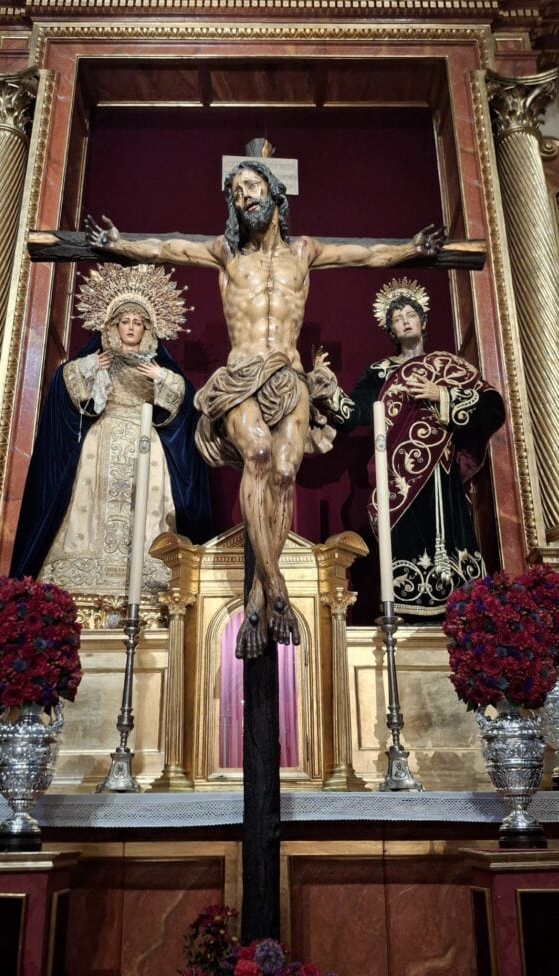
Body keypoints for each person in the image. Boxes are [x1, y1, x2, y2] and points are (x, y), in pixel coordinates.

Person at [85, 160, 445, 656]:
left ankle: (258, 594)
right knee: (255, 454)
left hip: (289, 375)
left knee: (282, 471)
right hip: (240, 377)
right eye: (235, 193)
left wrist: (409, 249)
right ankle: (275, 585)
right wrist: (119, 243)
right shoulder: (225, 253)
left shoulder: (305, 251)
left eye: (251, 188)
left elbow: (365, 253)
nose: (243, 198)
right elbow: (166, 245)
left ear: (276, 193)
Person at [10, 263, 213, 599]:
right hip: (101, 440)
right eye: (125, 321)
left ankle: (149, 582)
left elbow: (186, 399)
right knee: (92, 499)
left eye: (137, 322)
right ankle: (83, 581)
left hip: (145, 443)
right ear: (114, 325)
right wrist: (90, 367)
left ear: (147, 328)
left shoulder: (155, 365)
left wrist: (161, 379)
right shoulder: (98, 358)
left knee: (146, 508)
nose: (131, 327)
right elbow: (64, 386)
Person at [314, 277, 505, 619]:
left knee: (449, 539)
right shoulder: (379, 372)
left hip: (440, 472)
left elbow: (494, 407)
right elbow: (353, 413)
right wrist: (328, 390)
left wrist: (442, 395)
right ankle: (405, 612)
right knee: (402, 546)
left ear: (423, 321)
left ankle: (462, 611)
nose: (404, 319)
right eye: (396, 316)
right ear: (390, 329)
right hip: (399, 481)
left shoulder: (449, 368)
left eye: (409, 313)